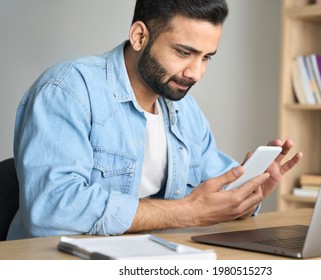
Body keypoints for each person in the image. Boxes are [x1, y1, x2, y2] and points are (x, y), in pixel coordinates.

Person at [7, 0, 302, 240]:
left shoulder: (186, 112)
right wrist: (187, 212)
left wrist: (245, 195)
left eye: (206, 57)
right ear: (139, 36)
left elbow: (214, 194)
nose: (196, 73)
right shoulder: (68, 90)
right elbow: (52, 213)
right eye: (184, 52)